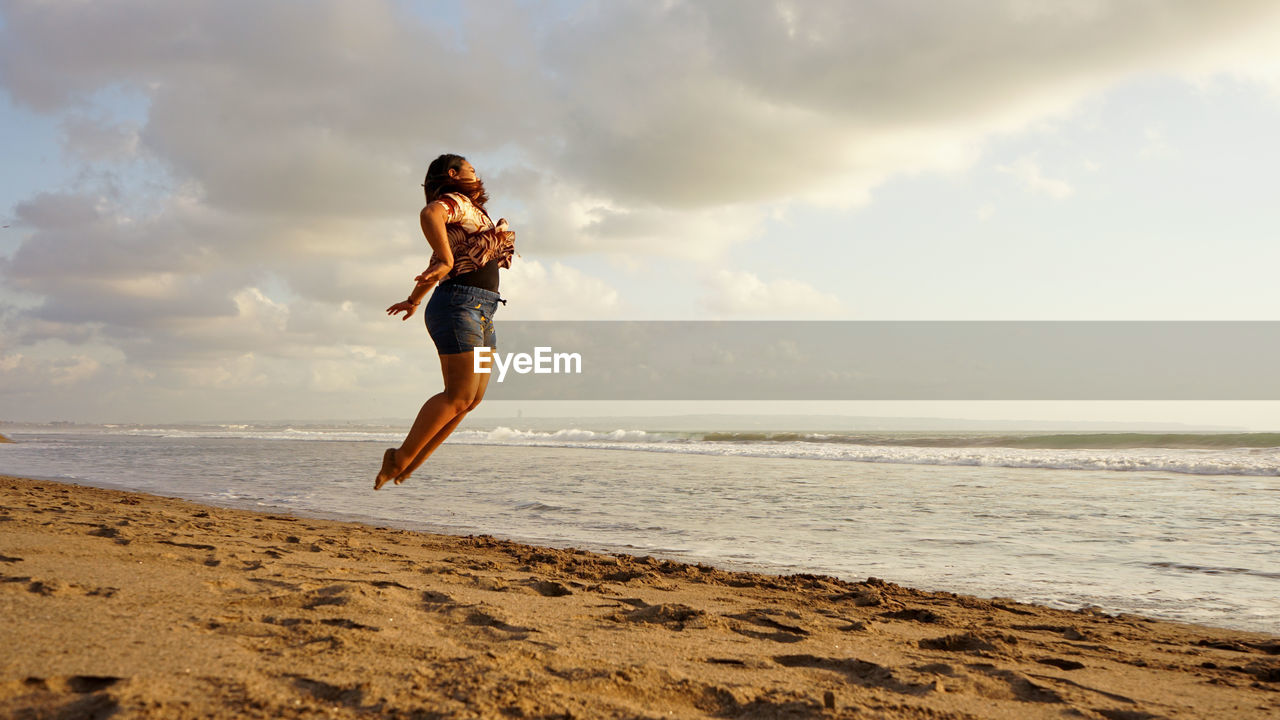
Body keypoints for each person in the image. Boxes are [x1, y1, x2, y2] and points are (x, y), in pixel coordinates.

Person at [376, 154, 516, 490]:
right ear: (453, 174)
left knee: (472, 399)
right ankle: (400, 457)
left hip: (483, 310)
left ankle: (412, 462)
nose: (476, 173)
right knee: (458, 394)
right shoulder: (454, 202)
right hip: (460, 306)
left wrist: (413, 299)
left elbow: (438, 263)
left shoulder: (467, 217)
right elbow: (430, 215)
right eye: (470, 168)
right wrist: (446, 258)